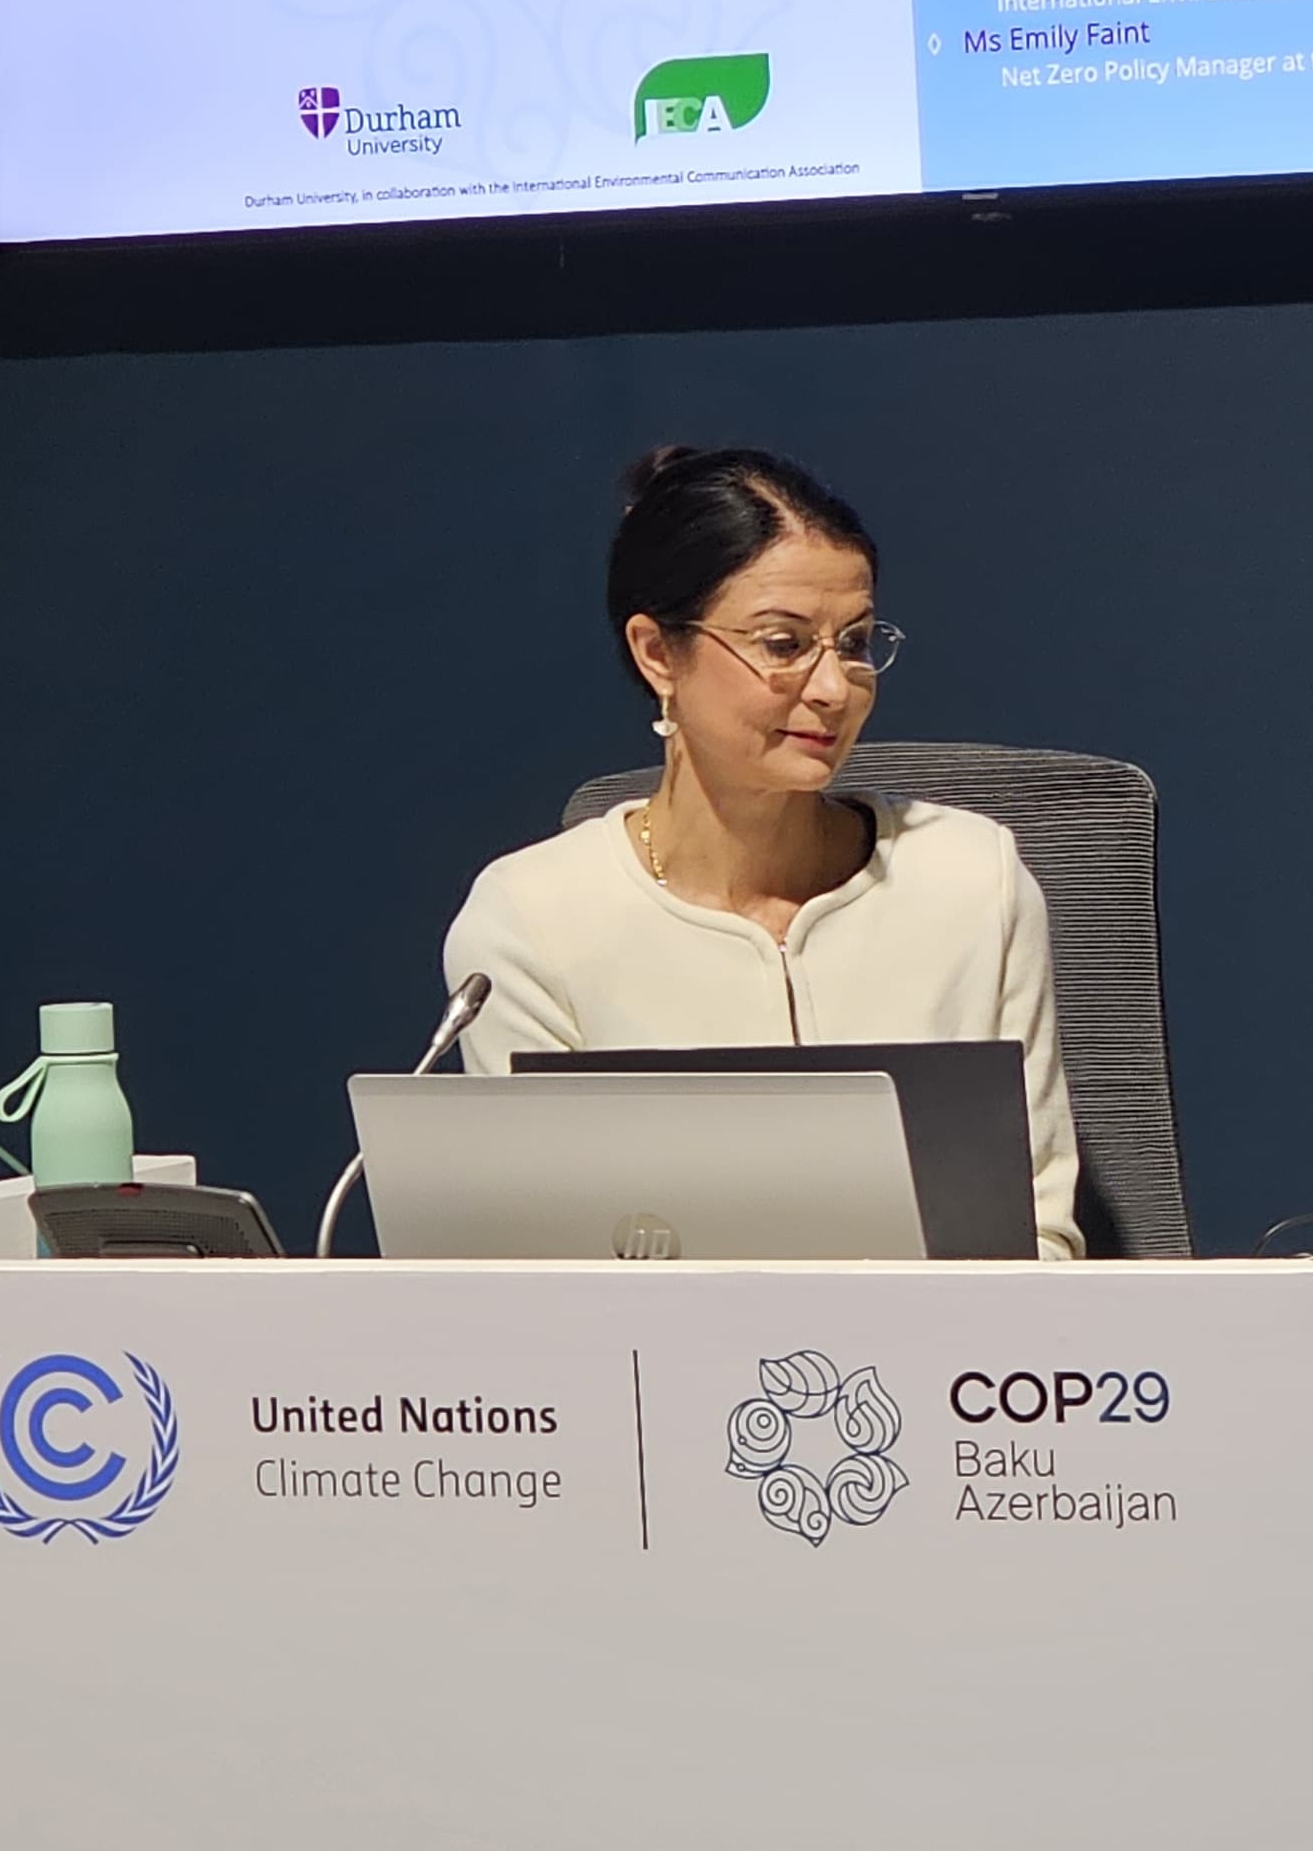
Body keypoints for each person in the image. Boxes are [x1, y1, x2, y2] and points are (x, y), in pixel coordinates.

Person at [446, 445, 1081, 1259]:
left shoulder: (971, 882)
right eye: (783, 644)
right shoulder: (535, 921)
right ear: (657, 653)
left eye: (852, 643)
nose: (832, 687)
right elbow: (545, 1264)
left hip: (951, 1366)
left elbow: (1037, 1234)